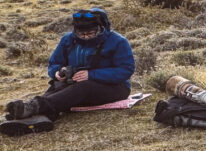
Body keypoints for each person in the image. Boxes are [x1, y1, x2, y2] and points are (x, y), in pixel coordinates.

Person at [2, 8, 134, 136]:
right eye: (81, 34)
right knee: (56, 88)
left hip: (115, 88)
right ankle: (35, 121)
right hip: (73, 85)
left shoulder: (118, 41)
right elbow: (54, 63)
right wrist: (57, 73)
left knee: (84, 86)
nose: (86, 37)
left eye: (90, 33)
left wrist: (91, 75)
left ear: (100, 28)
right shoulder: (68, 40)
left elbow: (126, 70)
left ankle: (33, 107)